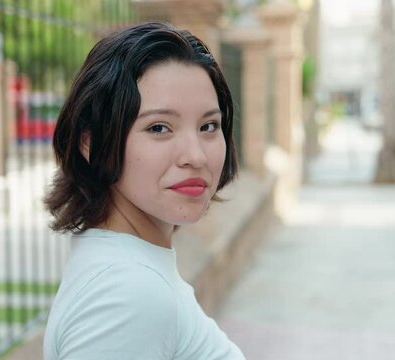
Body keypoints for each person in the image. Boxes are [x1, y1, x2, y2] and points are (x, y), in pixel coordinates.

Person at [43, 22, 246, 360]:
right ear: (91, 143)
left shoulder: (130, 270)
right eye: (159, 127)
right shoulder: (127, 296)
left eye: (209, 126)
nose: (195, 156)